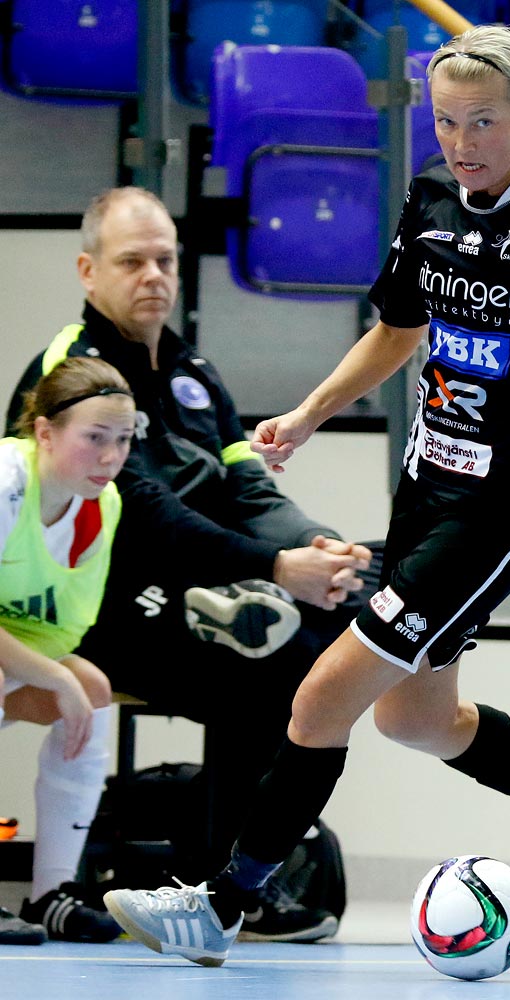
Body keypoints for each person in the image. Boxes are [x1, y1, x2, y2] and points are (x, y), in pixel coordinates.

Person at [102, 24, 510, 968]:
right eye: (445, 121)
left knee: (319, 705)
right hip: (427, 490)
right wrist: (310, 413)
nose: (462, 140)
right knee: (416, 717)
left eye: (483, 121)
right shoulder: (431, 195)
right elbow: (398, 329)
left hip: (499, 513)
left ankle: (224, 905)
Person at [5, 186, 381, 943]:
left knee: (318, 633)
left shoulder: (194, 371)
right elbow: (148, 516)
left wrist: (315, 547)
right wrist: (276, 568)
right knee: (268, 660)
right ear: (88, 270)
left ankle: (232, 884)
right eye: (132, 260)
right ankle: (226, 892)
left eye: (166, 260)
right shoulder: (76, 371)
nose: (154, 276)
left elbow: (245, 483)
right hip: (100, 608)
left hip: (194, 588)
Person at [0, 357, 135, 944]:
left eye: (124, 440)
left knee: (95, 690)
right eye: (95, 438)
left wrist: (61, 682)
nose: (111, 457)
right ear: (45, 432)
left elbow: (60, 632)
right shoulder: (8, 482)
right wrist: (54, 681)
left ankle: (49, 894)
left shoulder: (100, 505)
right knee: (69, 686)